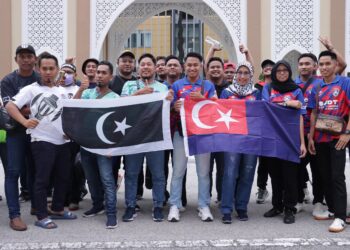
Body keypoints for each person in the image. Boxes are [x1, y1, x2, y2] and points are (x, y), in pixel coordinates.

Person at [6, 53, 77, 229]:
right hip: (41, 140)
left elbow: (68, 113)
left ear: (56, 70)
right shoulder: (31, 89)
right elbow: (9, 106)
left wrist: (69, 131)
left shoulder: (61, 91)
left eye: (51, 68)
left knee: (62, 177)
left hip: (62, 141)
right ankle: (41, 215)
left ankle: (58, 209)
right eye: (44, 68)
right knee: (42, 179)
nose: (47, 72)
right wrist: (24, 121)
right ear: (38, 69)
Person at [121, 53, 171, 222]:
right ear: (138, 67)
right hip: (133, 136)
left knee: (158, 173)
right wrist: (139, 93)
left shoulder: (163, 87)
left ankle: (158, 205)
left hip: (155, 135)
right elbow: (120, 105)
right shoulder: (129, 85)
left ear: (155, 67)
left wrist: (170, 101)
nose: (146, 67)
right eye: (142, 64)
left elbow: (168, 110)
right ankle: (130, 205)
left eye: (149, 64)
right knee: (132, 173)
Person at [168, 52, 217, 222]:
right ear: (184, 66)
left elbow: (216, 107)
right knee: (178, 171)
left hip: (203, 135)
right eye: (189, 65)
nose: (192, 68)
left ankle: (204, 205)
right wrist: (174, 105)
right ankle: (174, 204)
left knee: (203, 173)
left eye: (195, 64)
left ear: (201, 66)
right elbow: (170, 106)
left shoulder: (208, 85)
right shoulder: (177, 85)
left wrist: (203, 99)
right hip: (181, 134)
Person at [308, 50, 350, 233]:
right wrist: (310, 136)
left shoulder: (345, 83)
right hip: (320, 138)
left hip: (338, 138)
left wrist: (347, 132)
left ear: (335, 65)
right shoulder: (316, 87)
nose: (324, 67)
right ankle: (332, 209)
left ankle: (341, 217)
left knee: (337, 176)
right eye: (321, 64)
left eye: (328, 64)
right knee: (325, 175)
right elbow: (314, 113)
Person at [75, 61, 119, 229]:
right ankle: (97, 205)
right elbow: (73, 107)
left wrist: (113, 147)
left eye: (103, 72)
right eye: (98, 72)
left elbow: (116, 126)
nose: (99, 75)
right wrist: (80, 89)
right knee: (91, 177)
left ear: (110, 77)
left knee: (107, 179)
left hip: (104, 146)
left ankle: (111, 213)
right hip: (86, 143)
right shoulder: (86, 93)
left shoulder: (115, 98)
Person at [262, 60, 307, 224]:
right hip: (273, 138)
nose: (281, 73)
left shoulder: (297, 90)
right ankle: (277, 206)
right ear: (274, 73)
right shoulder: (268, 88)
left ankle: (290, 208)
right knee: (275, 175)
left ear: (289, 72)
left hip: (291, 139)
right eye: (278, 70)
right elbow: (266, 107)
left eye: (285, 70)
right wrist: (288, 103)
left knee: (290, 176)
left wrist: (302, 142)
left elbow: (301, 116)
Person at [1, 44, 40, 231]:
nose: (25, 59)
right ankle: (14, 215)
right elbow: (10, 106)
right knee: (13, 172)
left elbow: (46, 104)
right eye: (22, 56)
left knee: (35, 171)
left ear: (35, 59)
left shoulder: (40, 78)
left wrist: (24, 108)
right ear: (16, 59)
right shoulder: (8, 80)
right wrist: (26, 114)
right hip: (15, 132)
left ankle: (36, 206)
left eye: (29, 56)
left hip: (38, 132)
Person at [219, 61, 260, 224]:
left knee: (248, 173)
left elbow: (262, 114)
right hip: (231, 140)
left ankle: (241, 207)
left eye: (246, 73)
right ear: (235, 75)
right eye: (239, 73)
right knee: (230, 174)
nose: (242, 76)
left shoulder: (257, 92)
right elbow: (220, 113)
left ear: (251, 76)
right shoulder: (226, 92)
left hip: (251, 139)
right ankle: (227, 209)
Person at [294, 53, 324, 215]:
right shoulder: (292, 85)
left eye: (308, 63)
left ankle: (318, 201)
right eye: (301, 64)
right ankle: (298, 200)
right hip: (298, 134)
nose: (304, 66)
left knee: (318, 169)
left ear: (315, 66)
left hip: (317, 134)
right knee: (297, 168)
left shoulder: (321, 84)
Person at [205, 57, 230, 204]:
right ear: (208, 70)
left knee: (223, 168)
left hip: (223, 135)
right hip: (206, 134)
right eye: (212, 67)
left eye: (218, 67)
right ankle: (206, 197)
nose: (215, 69)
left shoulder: (229, 88)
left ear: (223, 70)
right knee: (206, 169)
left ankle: (221, 197)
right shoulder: (203, 87)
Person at [254, 59, 275, 204]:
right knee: (263, 163)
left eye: (270, 66)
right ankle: (262, 189)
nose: (267, 68)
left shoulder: (281, 87)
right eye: (264, 67)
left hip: (276, 129)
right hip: (261, 130)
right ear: (262, 72)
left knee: (278, 162)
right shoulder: (256, 88)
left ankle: (283, 190)